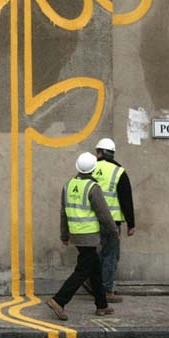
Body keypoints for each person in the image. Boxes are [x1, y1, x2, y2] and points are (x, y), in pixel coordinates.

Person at [47, 152, 118, 321]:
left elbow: (63, 213)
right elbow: (104, 213)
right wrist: (114, 231)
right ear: (93, 169)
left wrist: (64, 235)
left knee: (95, 269)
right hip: (89, 235)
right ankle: (59, 300)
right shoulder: (93, 187)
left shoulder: (68, 185)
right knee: (83, 271)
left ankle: (101, 305)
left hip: (76, 234)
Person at [92, 137, 135, 303]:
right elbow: (126, 199)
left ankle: (95, 286)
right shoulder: (119, 172)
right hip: (112, 222)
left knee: (94, 255)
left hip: (91, 221)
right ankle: (106, 291)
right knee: (110, 255)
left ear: (100, 153)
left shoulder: (90, 168)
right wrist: (131, 223)